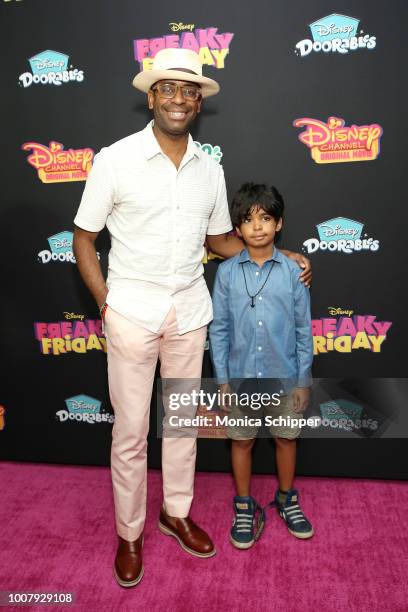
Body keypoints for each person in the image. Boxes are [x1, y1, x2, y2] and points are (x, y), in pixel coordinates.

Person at [73, 48, 312, 587]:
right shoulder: (115, 159)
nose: (179, 99)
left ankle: (174, 512)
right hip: (131, 311)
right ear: (150, 96)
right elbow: (84, 238)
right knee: (131, 433)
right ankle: (130, 532)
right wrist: (105, 303)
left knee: (181, 425)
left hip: (189, 313)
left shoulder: (210, 168)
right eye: (168, 89)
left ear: (199, 102)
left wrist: (284, 255)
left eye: (190, 90)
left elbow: (219, 239)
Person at [209, 182, 314, 550]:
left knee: (286, 439)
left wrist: (302, 381)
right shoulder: (225, 274)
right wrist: (222, 381)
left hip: (284, 378)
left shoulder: (292, 272)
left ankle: (287, 498)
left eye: (266, 218)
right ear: (237, 228)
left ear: (279, 223)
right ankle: (243, 504)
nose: (258, 227)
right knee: (242, 443)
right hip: (239, 380)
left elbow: (303, 329)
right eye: (249, 220)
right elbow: (218, 330)